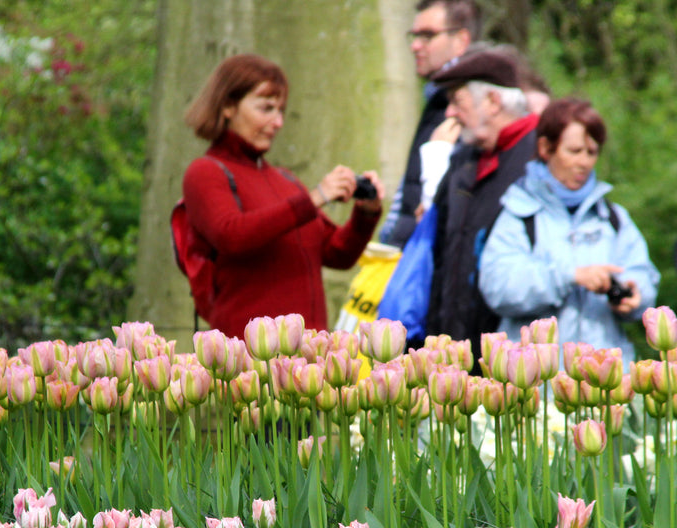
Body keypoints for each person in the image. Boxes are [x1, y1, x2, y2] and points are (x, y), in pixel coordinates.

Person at [182, 54, 384, 338]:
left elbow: (336, 253)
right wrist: (315, 198)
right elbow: (232, 235)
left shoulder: (286, 180)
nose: (277, 122)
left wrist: (365, 213)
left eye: (281, 111)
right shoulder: (206, 172)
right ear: (227, 106)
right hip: (248, 360)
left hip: (307, 360)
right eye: (266, 108)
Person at [478, 98, 659, 363]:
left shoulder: (612, 217)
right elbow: (500, 288)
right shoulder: (519, 213)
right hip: (536, 384)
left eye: (591, 152)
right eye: (574, 151)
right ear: (545, 148)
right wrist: (569, 276)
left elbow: (644, 278)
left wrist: (634, 296)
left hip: (603, 381)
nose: (584, 162)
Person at [425, 47, 540, 367]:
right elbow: (442, 257)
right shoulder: (463, 160)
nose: (449, 113)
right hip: (452, 355)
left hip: (513, 361)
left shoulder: (541, 159)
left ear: (492, 102)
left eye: (457, 102)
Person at [379, 0, 480, 248]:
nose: (415, 46)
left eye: (427, 36)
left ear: (461, 40)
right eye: (414, 36)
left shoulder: (473, 107)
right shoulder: (437, 97)